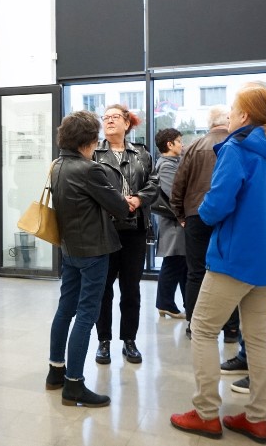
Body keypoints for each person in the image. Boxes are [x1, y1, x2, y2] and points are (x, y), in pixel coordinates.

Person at [170, 84, 266, 444]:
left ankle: (206, 414)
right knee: (259, 337)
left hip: (233, 258)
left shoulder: (237, 148)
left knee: (202, 329)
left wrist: (206, 206)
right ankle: (257, 419)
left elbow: (215, 207)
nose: (229, 115)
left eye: (232, 109)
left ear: (244, 115)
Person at [44, 110, 130, 408]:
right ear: (89, 141)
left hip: (69, 248)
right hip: (93, 250)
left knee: (65, 309)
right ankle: (74, 385)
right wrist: (124, 200)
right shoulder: (90, 169)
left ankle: (56, 371)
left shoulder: (57, 165)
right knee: (86, 315)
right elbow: (120, 208)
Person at [92, 104, 155, 365]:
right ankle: (103, 341)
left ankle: (129, 340)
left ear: (127, 124)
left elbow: (154, 183)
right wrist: (117, 202)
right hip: (105, 230)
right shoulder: (94, 153)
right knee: (103, 288)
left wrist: (138, 199)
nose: (109, 121)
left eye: (115, 117)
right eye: (106, 117)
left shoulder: (141, 153)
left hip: (134, 230)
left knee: (131, 289)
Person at [170, 106, 230, 339]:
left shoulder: (194, 146)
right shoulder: (236, 144)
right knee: (230, 273)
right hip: (228, 217)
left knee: (195, 272)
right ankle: (232, 328)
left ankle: (193, 325)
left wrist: (181, 215)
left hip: (196, 215)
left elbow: (179, 184)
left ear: (210, 123)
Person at [153, 128, 187, 320]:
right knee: (174, 261)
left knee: (181, 262)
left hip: (176, 221)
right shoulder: (166, 166)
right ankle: (165, 303)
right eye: (179, 141)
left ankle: (181, 303)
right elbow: (175, 194)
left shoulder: (174, 162)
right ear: (170, 144)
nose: (182, 145)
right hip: (174, 222)